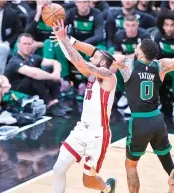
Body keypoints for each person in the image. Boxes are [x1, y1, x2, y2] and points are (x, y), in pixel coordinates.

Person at [60, 23, 174, 192]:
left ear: (141, 52)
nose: (135, 47)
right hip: (157, 120)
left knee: (131, 166)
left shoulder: (126, 63)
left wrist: (70, 40)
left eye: (138, 47)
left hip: (140, 123)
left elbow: (96, 54)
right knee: (166, 160)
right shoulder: (161, 66)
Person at [51, 21, 117, 193]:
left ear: (103, 64)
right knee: (58, 169)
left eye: (95, 57)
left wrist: (64, 39)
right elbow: (73, 60)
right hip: (81, 130)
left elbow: (80, 62)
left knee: (87, 182)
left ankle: (107, 189)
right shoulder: (92, 75)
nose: (91, 58)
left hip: (98, 135)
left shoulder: (109, 77)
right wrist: (62, 40)